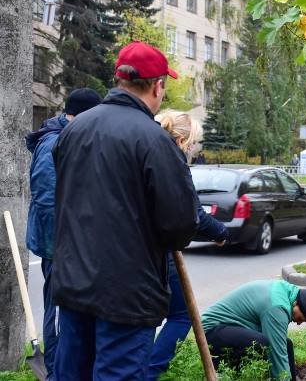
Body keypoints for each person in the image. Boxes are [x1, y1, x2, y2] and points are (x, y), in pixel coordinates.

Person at [51, 41, 200, 380]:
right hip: (127, 295)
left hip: (74, 285)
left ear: (120, 79)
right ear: (157, 85)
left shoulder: (74, 129)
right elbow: (180, 225)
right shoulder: (154, 140)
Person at [25, 87, 101, 377]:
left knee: (67, 307)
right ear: (80, 116)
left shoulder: (69, 137)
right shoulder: (52, 144)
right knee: (57, 307)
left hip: (67, 242)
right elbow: (47, 199)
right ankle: (55, 369)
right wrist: (64, 244)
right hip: (56, 243)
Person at [147, 110, 230, 379]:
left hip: (135, 249)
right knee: (181, 314)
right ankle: (150, 371)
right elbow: (193, 215)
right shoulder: (172, 161)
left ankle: (142, 368)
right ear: (181, 139)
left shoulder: (144, 149)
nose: (193, 149)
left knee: (146, 316)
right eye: (193, 143)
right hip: (159, 251)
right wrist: (220, 232)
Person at [201, 280, 306, 380]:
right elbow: (276, 353)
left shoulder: (289, 293)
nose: (298, 323)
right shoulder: (277, 308)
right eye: (301, 318)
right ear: (296, 303)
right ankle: (222, 371)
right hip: (211, 330)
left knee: (287, 344)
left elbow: (281, 345)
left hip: (234, 327)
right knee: (262, 344)